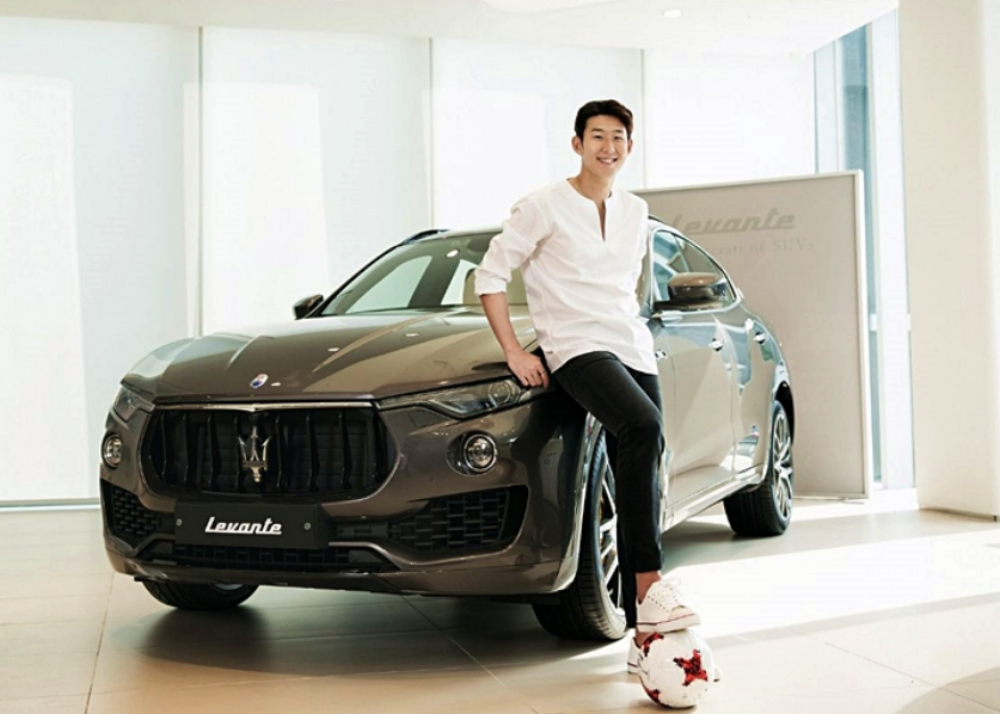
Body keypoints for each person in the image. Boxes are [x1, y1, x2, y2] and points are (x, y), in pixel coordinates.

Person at [474, 99, 699, 671]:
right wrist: (514, 350)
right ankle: (649, 586)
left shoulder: (636, 210)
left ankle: (641, 638)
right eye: (597, 136)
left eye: (618, 137)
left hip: (631, 344)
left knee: (646, 458)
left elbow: (626, 287)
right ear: (577, 144)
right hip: (574, 344)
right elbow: (490, 274)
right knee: (642, 424)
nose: (608, 146)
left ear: (630, 146)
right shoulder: (542, 205)